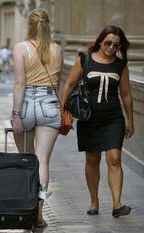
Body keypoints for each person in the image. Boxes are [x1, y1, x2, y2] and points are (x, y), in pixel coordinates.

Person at [59, 25, 134, 218]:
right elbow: (69, 84)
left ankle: (117, 204)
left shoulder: (120, 66)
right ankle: (94, 201)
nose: (111, 47)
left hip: (113, 118)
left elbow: (126, 95)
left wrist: (130, 121)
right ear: (100, 41)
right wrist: (61, 109)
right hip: (89, 118)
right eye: (108, 42)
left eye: (116, 45)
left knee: (114, 159)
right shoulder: (84, 60)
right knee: (92, 160)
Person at [11, 9, 63, 227]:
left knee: (26, 160)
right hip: (50, 104)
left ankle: (26, 209)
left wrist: (15, 114)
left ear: (28, 24)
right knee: (42, 162)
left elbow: (20, 84)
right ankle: (38, 214)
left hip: (27, 104)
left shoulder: (20, 48)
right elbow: (57, 82)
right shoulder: (58, 49)